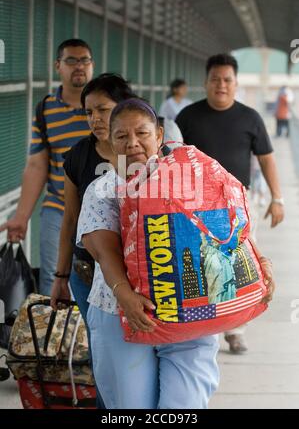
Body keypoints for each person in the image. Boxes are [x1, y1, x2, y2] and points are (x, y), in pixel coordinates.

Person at [76, 98, 274, 409]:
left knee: (185, 404)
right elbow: (102, 249)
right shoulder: (104, 188)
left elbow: (227, 224)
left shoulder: (191, 181)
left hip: (194, 311)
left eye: (141, 133)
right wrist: (125, 294)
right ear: (110, 142)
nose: (133, 143)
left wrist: (260, 264)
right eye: (121, 136)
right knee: (130, 407)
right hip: (121, 312)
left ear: (158, 134)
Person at [176, 53, 283, 354]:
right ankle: (200, 326)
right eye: (215, 79)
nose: (221, 85)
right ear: (206, 82)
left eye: (227, 80)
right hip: (194, 206)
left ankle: (236, 330)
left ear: (236, 84)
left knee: (240, 266)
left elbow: (266, 158)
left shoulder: (250, 118)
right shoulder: (187, 116)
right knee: (197, 264)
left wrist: (278, 198)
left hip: (237, 204)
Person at [50, 73, 137, 409]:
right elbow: (69, 219)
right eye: (89, 112)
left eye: (103, 109)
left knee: (139, 356)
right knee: (103, 359)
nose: (95, 119)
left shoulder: (141, 149)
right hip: (88, 275)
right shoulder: (78, 156)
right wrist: (60, 277)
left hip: (140, 275)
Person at [0, 39, 94, 295]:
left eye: (84, 60)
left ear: (92, 65)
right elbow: (36, 165)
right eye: (71, 60)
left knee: (100, 283)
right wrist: (21, 217)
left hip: (102, 209)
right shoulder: (45, 109)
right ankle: (52, 334)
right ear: (58, 66)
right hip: (58, 208)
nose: (79, 66)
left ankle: (87, 336)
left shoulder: (104, 108)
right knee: (54, 282)